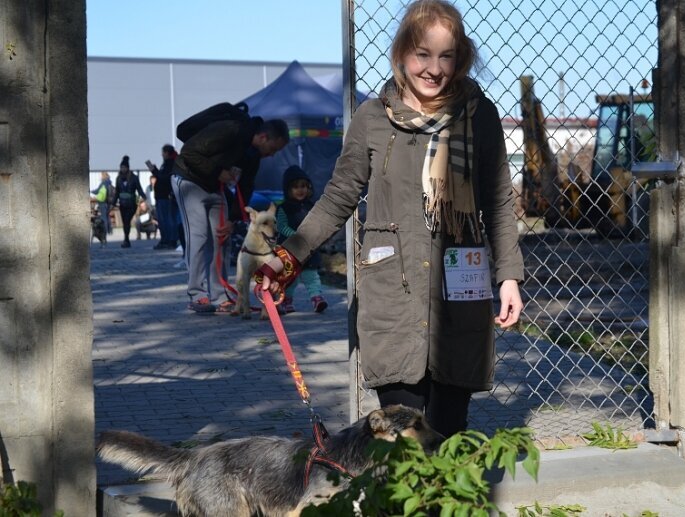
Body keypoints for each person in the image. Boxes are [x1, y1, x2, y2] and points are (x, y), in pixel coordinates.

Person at [261, 0, 523, 437]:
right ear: (402, 53)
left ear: (461, 59)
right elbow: (337, 198)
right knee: (401, 439)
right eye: (423, 53)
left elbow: (497, 202)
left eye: (447, 56)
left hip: (459, 291)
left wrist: (509, 276)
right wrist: (287, 258)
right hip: (393, 292)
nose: (434, 68)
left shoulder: (480, 117)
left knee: (448, 433)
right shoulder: (372, 119)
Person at [172, 116, 289, 313]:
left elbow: (246, 186)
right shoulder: (231, 129)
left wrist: (232, 220)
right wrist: (217, 171)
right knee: (199, 236)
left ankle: (219, 296)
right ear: (263, 137)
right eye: (273, 149)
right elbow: (189, 152)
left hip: (215, 189)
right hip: (189, 181)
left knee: (222, 238)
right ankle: (197, 294)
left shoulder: (253, 157)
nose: (271, 155)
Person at [276, 165, 328, 314]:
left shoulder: (312, 206)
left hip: (309, 249)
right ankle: (286, 300)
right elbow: (281, 226)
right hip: (290, 250)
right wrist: (297, 237)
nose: (300, 190)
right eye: (296, 187)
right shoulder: (283, 208)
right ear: (288, 189)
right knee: (290, 278)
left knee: (311, 275)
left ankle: (317, 298)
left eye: (304, 186)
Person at [146, 144, 179, 250]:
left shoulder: (170, 164)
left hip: (166, 196)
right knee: (163, 219)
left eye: (163, 152)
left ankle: (169, 240)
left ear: (167, 153)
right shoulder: (166, 163)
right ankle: (166, 239)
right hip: (161, 196)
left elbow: (165, 178)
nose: (161, 155)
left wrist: (155, 171)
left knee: (167, 220)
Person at [112, 156, 146, 248]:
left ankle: (126, 239)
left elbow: (139, 189)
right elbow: (117, 192)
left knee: (127, 220)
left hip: (131, 204)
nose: (122, 169)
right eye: (121, 167)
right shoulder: (118, 178)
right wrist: (113, 203)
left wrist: (144, 198)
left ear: (127, 168)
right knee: (125, 222)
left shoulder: (134, 178)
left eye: (124, 167)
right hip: (122, 204)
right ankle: (126, 239)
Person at [91, 171, 113, 235]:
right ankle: (109, 230)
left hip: (102, 202)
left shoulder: (103, 183)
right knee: (107, 216)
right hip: (108, 202)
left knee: (103, 217)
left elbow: (97, 191)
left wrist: (91, 191)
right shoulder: (109, 182)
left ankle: (105, 231)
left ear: (103, 176)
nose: (100, 177)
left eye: (101, 175)